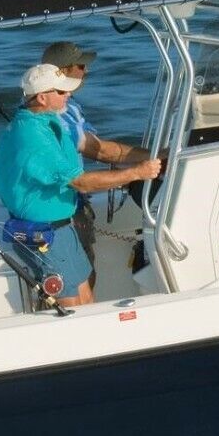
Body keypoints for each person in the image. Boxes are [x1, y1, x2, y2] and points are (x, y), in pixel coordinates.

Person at [0, 63, 161, 307]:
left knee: (87, 298)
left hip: (63, 228)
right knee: (71, 307)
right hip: (44, 235)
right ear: (41, 97)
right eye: (61, 91)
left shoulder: (48, 121)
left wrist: (141, 164)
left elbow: (93, 153)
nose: (69, 94)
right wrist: (136, 173)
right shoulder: (32, 137)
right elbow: (81, 183)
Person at [39, 41, 153, 285]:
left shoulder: (68, 105)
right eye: (81, 66)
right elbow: (100, 151)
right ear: (63, 72)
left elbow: (96, 145)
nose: (87, 71)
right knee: (80, 279)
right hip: (60, 210)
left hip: (70, 202)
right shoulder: (56, 116)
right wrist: (149, 161)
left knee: (84, 274)